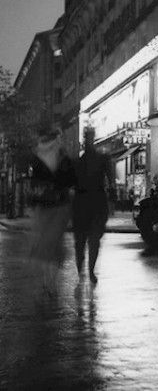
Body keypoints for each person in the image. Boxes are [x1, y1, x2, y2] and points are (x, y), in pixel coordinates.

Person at [28, 125, 76, 297]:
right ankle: (50, 282)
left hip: (45, 206)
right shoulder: (62, 158)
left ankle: (47, 281)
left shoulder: (37, 157)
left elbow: (34, 184)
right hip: (58, 206)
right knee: (54, 244)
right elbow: (71, 181)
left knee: (46, 244)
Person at [73, 127, 115, 284]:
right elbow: (110, 178)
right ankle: (87, 270)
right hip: (91, 203)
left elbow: (110, 178)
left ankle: (86, 270)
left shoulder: (82, 161)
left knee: (86, 241)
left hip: (88, 204)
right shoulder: (88, 160)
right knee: (87, 241)